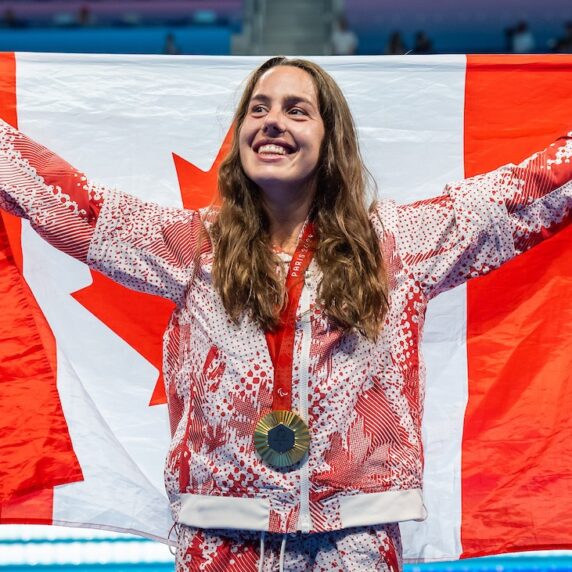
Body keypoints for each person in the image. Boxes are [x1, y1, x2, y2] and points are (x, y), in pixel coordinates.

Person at [0, 56, 570, 571]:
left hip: (356, 539)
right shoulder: (194, 247)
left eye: (297, 111)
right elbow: (66, 200)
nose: (272, 122)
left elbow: (524, 195)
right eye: (258, 109)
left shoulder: (398, 245)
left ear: (332, 139)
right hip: (220, 539)